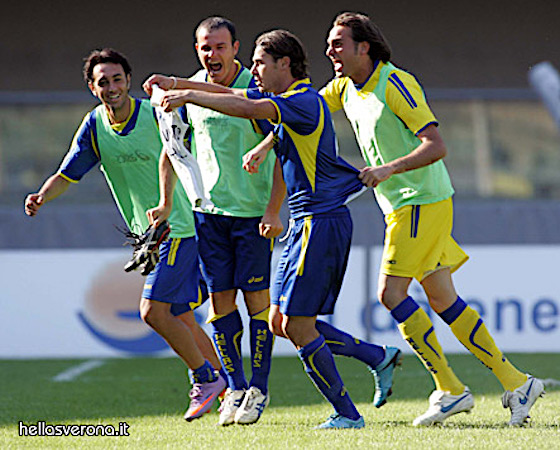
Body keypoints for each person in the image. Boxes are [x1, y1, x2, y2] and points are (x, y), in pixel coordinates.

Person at [151, 28, 402, 429]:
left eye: (259, 62)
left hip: (319, 221)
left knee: (294, 323)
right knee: (278, 321)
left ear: (284, 64)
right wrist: (178, 84)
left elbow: (248, 109)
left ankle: (345, 413)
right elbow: (239, 97)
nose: (253, 69)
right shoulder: (288, 100)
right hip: (303, 223)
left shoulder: (302, 100)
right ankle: (375, 357)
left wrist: (188, 96)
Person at [319, 12, 544, 426]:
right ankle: (517, 382)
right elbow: (303, 112)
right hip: (408, 204)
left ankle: (450, 388)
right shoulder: (343, 88)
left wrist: (388, 169)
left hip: (420, 200)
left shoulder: (395, 82)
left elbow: (436, 145)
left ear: (363, 47)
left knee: (391, 294)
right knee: (442, 299)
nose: (330, 51)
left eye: (338, 43)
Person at [23, 48, 226, 422]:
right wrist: (41, 196)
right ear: (92, 87)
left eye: (118, 79)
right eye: (104, 82)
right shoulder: (95, 126)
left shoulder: (157, 114)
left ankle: (205, 378)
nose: (112, 87)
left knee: (152, 312)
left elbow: (199, 154)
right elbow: (69, 173)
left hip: (181, 227)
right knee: (179, 313)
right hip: (149, 236)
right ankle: (227, 384)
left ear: (129, 81)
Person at [143, 17, 282, 426]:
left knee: (257, 305)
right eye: (205, 47)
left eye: (220, 46)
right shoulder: (183, 92)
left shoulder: (256, 90)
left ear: (235, 48)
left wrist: (275, 209)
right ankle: (235, 388)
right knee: (220, 307)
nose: (212, 54)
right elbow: (171, 148)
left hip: (253, 215)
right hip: (209, 216)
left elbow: (283, 151)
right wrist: (167, 203)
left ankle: (259, 388)